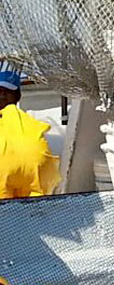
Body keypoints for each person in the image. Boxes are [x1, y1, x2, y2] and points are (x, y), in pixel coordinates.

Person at [0, 61, 60, 199]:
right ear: (17, 96)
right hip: (39, 180)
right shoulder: (30, 124)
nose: (2, 96)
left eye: (4, 92)